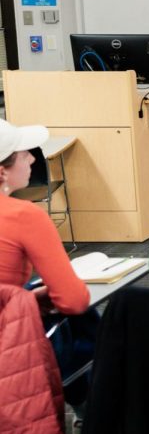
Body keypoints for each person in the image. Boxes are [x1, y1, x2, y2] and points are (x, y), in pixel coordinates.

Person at [0, 119, 89, 315]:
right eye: (24, 155)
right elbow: (74, 301)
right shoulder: (23, 216)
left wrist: (26, 298)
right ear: (2, 172)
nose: (32, 159)